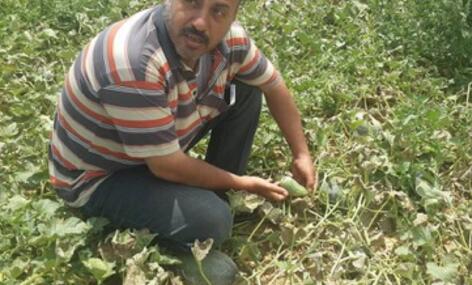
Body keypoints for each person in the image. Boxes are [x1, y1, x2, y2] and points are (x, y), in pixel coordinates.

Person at [48, 0, 315, 268]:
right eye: (192, 3)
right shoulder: (134, 64)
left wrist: (301, 153)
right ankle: (177, 248)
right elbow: (167, 167)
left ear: (233, 16)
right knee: (213, 221)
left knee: (246, 90)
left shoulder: (231, 40)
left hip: (153, 144)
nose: (200, 22)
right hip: (100, 176)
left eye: (218, 11)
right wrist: (241, 183)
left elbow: (274, 86)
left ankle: (214, 194)